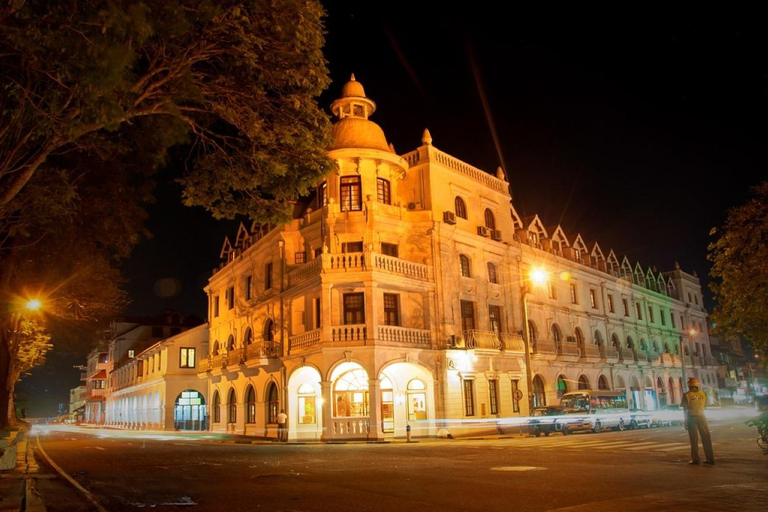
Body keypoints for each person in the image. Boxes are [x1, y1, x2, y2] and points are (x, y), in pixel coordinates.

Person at [680, 377, 715, 465]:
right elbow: (706, 406)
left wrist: (685, 421)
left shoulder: (686, 395)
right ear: (697, 385)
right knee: (706, 438)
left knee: (694, 439)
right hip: (702, 416)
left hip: (691, 417)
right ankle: (710, 458)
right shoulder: (703, 394)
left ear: (689, 385)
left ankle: (696, 459)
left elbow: (684, 409)